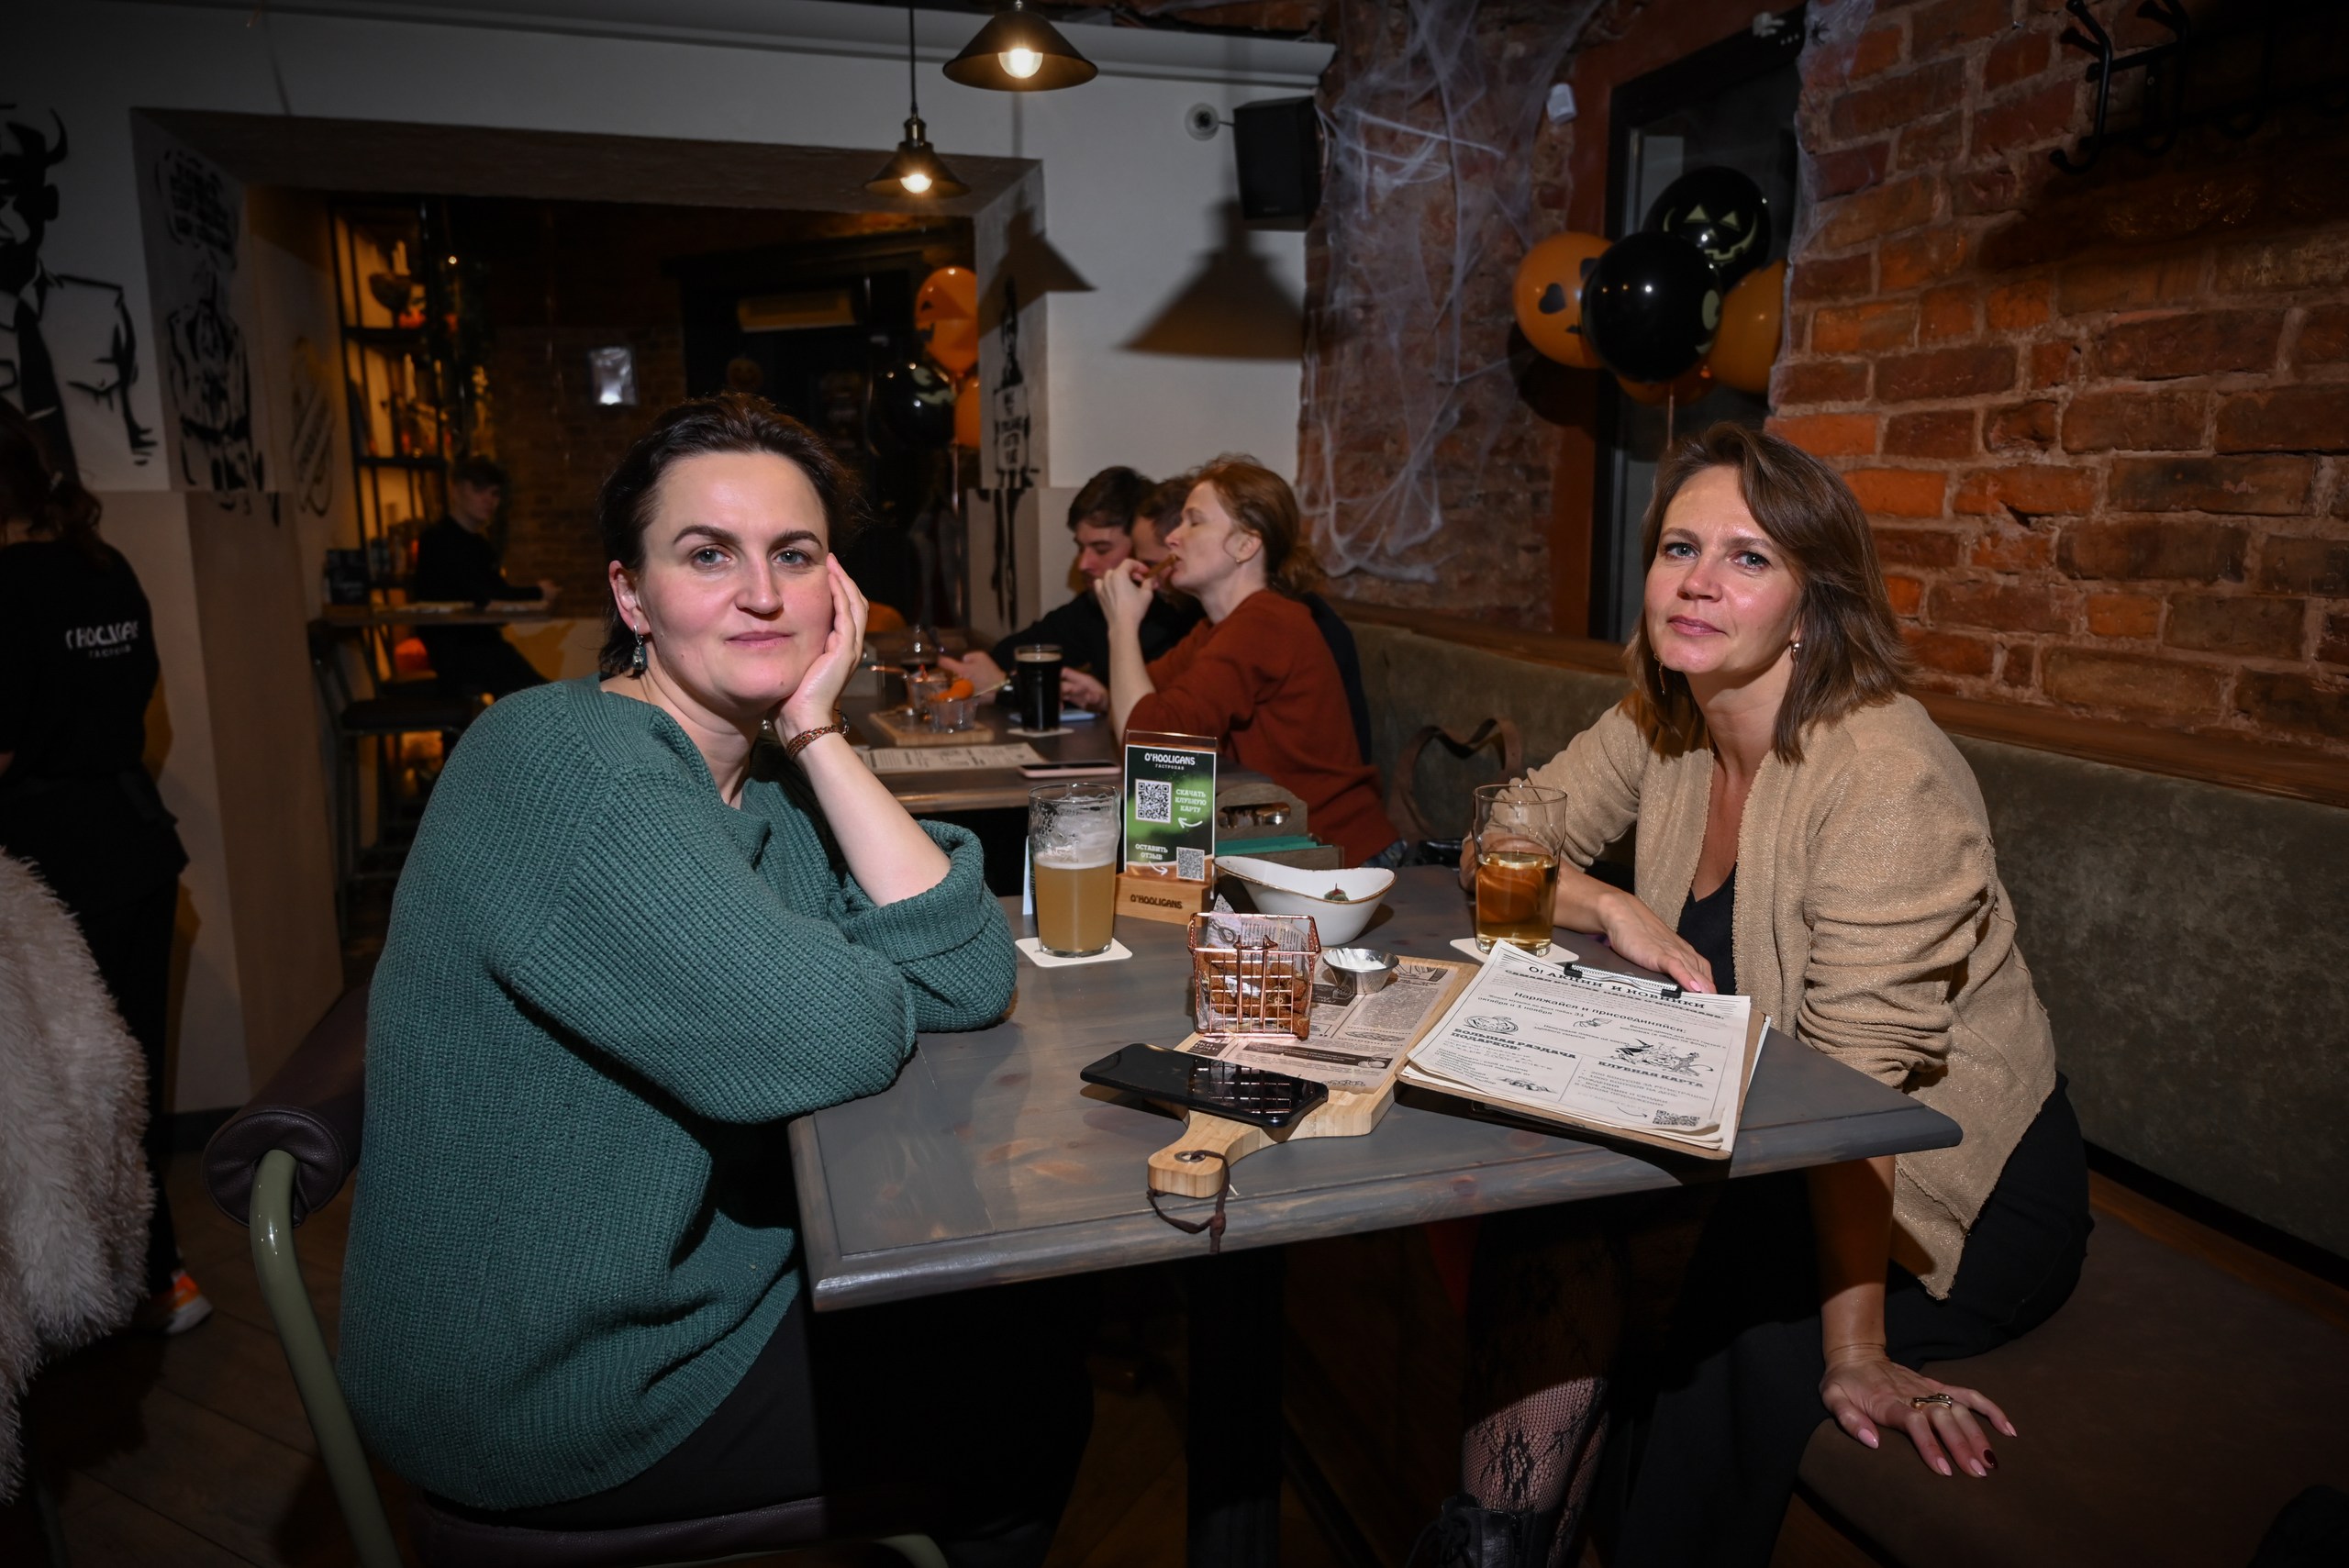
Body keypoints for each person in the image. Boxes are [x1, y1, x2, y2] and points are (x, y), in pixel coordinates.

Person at [340, 395, 1089, 1563]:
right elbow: (827, 1034)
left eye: (793, 555)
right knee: (1029, 1397)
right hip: (554, 1378)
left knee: (1013, 1319)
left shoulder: (761, 777)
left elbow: (964, 970)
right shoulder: (562, 758)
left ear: (836, 589)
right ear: (631, 596)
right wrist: (843, 978)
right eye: (707, 554)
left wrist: (818, 734)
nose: (761, 594)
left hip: (680, 1286)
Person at [1431, 424, 2087, 1567]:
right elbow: (1496, 842)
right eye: (1679, 547)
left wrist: (1856, 1350)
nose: (1698, 580)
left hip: (1944, 1181)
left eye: (1748, 557)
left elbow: (1858, 1099)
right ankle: (1498, 1546)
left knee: (1705, 1315)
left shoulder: (1884, 777)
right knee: (1550, 1220)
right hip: (1748, 1129)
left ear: (1810, 603)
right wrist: (1609, 903)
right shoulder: (1665, 716)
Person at [0, 401, 206, 1334]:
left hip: (51, 867)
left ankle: (86, 1300)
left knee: (64, 1094)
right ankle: (160, 1275)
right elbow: (133, 695)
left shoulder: (9, 586)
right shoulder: (104, 565)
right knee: (129, 1074)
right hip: (134, 843)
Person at [1097, 456, 1404, 868]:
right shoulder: (1217, 628)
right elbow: (1138, 710)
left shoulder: (1266, 623)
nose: (1172, 538)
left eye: (1194, 521)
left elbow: (1148, 743)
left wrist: (1121, 625)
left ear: (1246, 545)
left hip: (1336, 858)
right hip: (1278, 849)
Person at [941, 466, 1200, 709]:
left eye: (1101, 549)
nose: (1083, 564)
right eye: (1080, 548)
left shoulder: (1183, 615)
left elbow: (1162, 713)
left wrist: (1008, 688)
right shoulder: (1092, 608)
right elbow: (1012, 653)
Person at [411, 453, 559, 700]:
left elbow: (491, 593)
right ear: (456, 490)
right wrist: (539, 592)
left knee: (540, 694)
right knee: (538, 697)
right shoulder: (438, 540)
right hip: (458, 651)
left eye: (495, 493)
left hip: (481, 645)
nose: (489, 500)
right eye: (480, 490)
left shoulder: (477, 544)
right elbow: (487, 593)